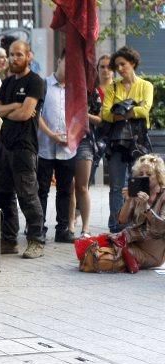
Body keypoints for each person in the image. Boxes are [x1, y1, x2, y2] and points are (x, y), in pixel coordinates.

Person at [0, 40, 46, 259]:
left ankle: (36, 241)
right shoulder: (7, 82)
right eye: (11, 55)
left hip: (24, 148)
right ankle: (9, 240)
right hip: (4, 146)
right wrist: (14, 106)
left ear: (29, 56)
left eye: (19, 55)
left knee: (28, 197)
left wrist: (9, 111)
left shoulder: (35, 82)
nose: (14, 59)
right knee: (3, 196)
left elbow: (26, 115)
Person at [100, 46, 154, 233]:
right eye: (117, 66)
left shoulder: (146, 85)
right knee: (116, 186)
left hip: (139, 141)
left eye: (123, 64)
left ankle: (138, 224)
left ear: (132, 63)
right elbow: (106, 114)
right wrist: (131, 109)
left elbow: (144, 110)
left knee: (139, 184)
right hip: (117, 142)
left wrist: (121, 109)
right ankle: (116, 226)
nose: (120, 69)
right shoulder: (113, 87)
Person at [70, 55, 114, 237]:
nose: (105, 70)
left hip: (111, 139)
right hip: (93, 139)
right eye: (102, 67)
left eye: (108, 67)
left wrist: (84, 114)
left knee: (116, 184)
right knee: (82, 182)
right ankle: (75, 217)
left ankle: (114, 222)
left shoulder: (116, 89)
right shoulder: (93, 90)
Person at [36, 50, 76, 243]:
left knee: (65, 190)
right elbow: (37, 116)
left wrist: (72, 135)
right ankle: (39, 229)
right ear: (59, 60)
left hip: (68, 149)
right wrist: (52, 135)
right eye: (67, 63)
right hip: (45, 147)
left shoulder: (75, 89)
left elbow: (79, 117)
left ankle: (62, 229)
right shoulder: (43, 85)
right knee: (41, 190)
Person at [115, 154, 165, 270]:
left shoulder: (163, 195)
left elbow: (161, 227)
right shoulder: (138, 193)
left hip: (153, 252)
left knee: (115, 252)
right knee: (106, 245)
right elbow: (122, 220)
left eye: (149, 174)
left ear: (158, 176)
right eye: (141, 174)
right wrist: (128, 201)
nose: (144, 177)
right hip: (135, 242)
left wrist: (146, 207)